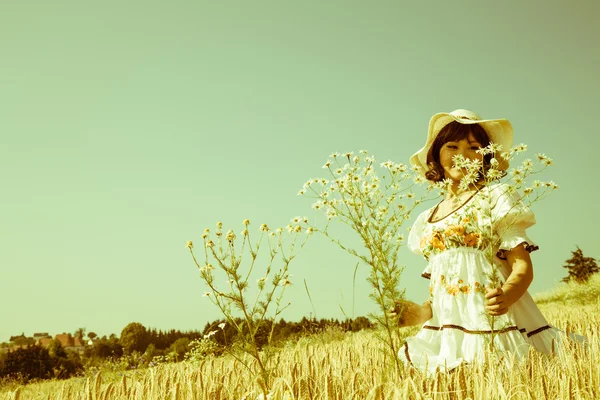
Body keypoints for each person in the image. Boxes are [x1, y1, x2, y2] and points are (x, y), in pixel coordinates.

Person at [394, 109, 587, 375]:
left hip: (494, 320)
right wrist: (419, 313)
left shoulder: (496, 196)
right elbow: (442, 289)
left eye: (474, 147)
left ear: (486, 156)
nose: (463, 154)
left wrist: (507, 295)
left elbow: (521, 267)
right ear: (436, 156)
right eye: (452, 146)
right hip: (450, 333)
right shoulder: (428, 218)